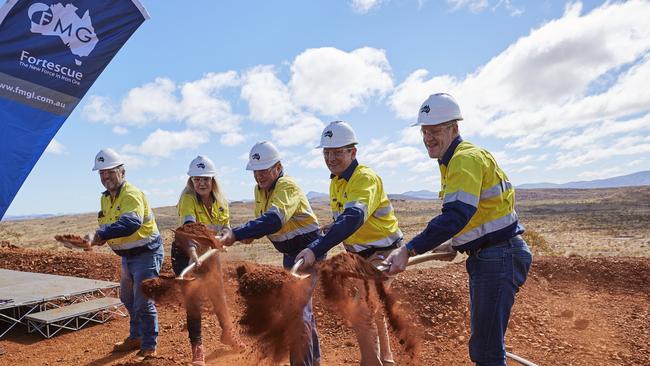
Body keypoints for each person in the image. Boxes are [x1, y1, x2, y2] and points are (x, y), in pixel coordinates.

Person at [384, 93, 533, 366]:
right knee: (486, 345)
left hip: (499, 257)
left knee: (486, 351)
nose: (428, 137)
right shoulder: (458, 159)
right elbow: (479, 215)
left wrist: (408, 250)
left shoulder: (464, 160)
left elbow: (456, 215)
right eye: (425, 131)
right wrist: (456, 243)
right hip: (494, 255)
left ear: (455, 128)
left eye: (436, 130)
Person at [296, 121, 402, 366]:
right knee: (372, 309)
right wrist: (333, 227)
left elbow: (354, 217)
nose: (331, 158)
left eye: (337, 152)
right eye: (327, 153)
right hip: (358, 257)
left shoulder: (365, 178)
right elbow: (344, 218)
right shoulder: (337, 181)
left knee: (362, 310)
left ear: (353, 152)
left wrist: (316, 248)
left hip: (382, 253)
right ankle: (386, 360)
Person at [218, 141, 322, 366]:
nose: (260, 175)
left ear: (278, 166)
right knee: (302, 311)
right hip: (289, 254)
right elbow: (263, 220)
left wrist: (237, 233)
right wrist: (250, 234)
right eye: (256, 171)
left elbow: (275, 219)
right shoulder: (260, 190)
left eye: (265, 169)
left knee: (296, 310)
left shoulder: (287, 186)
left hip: (309, 250)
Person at [88, 148, 164, 362]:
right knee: (127, 297)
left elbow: (131, 222)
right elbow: (110, 226)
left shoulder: (131, 194)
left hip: (147, 253)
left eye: (110, 172)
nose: (105, 177)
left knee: (143, 299)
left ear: (122, 172)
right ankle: (136, 336)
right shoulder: (105, 199)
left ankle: (149, 345)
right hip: (127, 256)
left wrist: (100, 233)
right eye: (102, 173)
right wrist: (98, 239)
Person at [171, 155, 242, 366]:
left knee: (218, 294)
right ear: (191, 181)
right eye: (197, 179)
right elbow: (189, 228)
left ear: (213, 180)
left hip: (208, 253)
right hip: (185, 252)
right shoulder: (187, 200)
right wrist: (193, 252)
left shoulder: (221, 202)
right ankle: (197, 348)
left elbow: (226, 227)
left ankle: (228, 333)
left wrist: (226, 237)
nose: (201, 183)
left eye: (206, 179)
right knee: (195, 301)